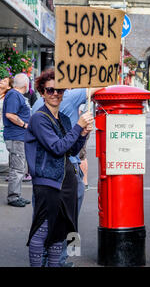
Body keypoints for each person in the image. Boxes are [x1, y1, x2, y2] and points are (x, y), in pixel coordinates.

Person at [25, 69, 94, 267]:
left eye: (60, 90)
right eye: (50, 90)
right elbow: (57, 148)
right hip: (48, 184)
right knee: (42, 231)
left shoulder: (63, 119)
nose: (55, 94)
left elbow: (70, 150)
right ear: (41, 92)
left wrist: (81, 135)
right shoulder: (39, 118)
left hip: (67, 182)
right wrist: (78, 126)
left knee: (60, 231)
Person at [3, 73, 31, 207]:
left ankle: (16, 195)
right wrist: (25, 125)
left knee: (18, 167)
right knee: (17, 168)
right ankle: (13, 197)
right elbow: (10, 114)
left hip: (18, 137)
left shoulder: (14, 95)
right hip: (16, 137)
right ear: (26, 85)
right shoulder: (14, 95)